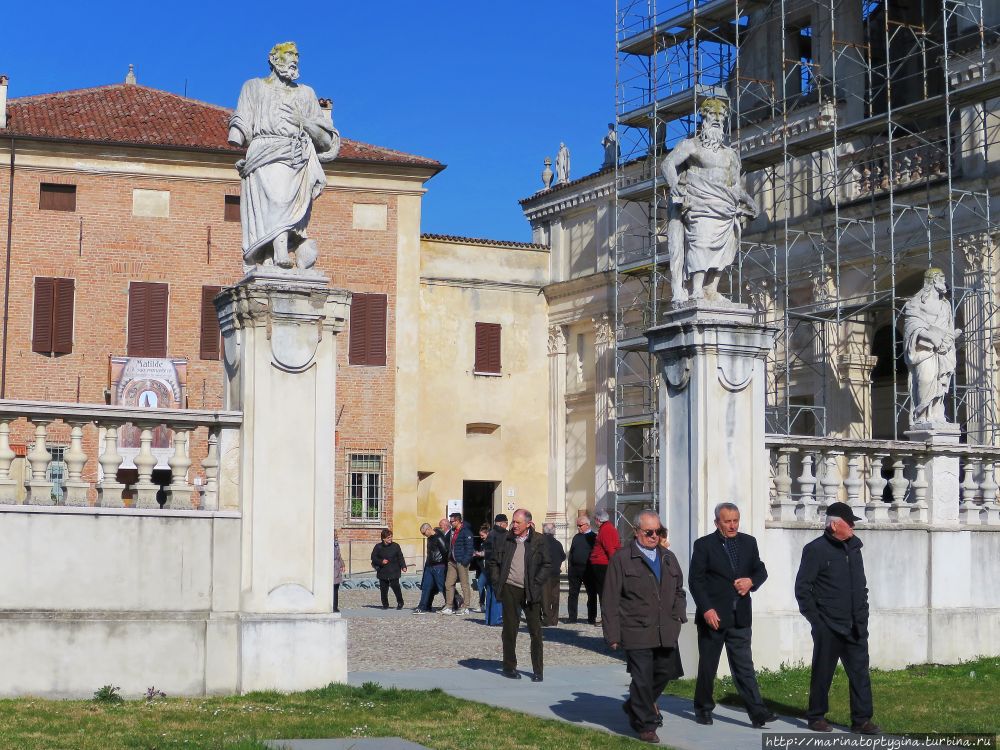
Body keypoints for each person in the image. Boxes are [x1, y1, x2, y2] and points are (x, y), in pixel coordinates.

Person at [228, 42, 340, 270]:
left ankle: (277, 253)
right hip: (263, 153)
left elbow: (326, 140)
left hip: (296, 156)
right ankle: (275, 252)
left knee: (285, 206)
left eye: (297, 56)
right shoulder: (253, 87)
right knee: (277, 202)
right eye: (289, 55)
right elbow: (241, 121)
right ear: (273, 58)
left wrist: (304, 122)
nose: (294, 60)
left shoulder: (306, 93)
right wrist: (237, 136)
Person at [660, 97, 758, 305]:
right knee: (701, 244)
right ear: (703, 118)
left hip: (725, 208)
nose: (716, 119)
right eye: (712, 115)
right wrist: (673, 184)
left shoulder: (731, 155)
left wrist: (750, 200)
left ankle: (710, 290)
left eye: (720, 116)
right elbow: (668, 164)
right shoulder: (691, 146)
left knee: (725, 249)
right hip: (700, 205)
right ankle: (696, 290)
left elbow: (734, 186)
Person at [795, 502, 879, 735]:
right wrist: (817, 622)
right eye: (849, 523)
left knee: (860, 673)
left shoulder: (854, 548)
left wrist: (863, 613)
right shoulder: (816, 550)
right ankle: (816, 716)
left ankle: (861, 720)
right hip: (828, 625)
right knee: (823, 673)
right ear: (834, 525)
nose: (853, 527)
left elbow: (861, 586)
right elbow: (803, 589)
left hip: (855, 625)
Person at [689, 502, 776, 728]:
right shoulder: (704, 545)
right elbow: (696, 582)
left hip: (740, 617)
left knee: (744, 667)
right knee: (708, 666)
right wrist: (706, 609)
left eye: (735, 520)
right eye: (727, 521)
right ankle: (703, 708)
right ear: (717, 522)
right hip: (714, 617)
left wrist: (751, 581)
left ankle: (758, 713)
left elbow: (760, 569)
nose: (732, 525)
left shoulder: (749, 542)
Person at [602, 510, 687, 744]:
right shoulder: (622, 558)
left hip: (665, 628)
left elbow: (679, 589)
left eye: (659, 531)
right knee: (641, 678)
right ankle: (646, 724)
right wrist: (612, 633)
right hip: (636, 628)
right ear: (637, 532)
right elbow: (609, 598)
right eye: (649, 532)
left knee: (664, 672)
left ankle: (634, 705)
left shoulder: (668, 557)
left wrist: (679, 614)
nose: (654, 536)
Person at [487, 509, 555, 682]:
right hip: (510, 588)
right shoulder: (505, 539)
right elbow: (493, 562)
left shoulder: (539, 540)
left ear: (528, 524)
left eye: (518, 522)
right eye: (513, 522)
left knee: (535, 631)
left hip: (531, 590)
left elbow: (547, 564)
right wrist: (497, 584)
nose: (514, 525)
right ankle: (509, 667)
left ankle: (538, 670)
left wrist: (536, 583)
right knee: (509, 630)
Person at [902, 268, 961, 426]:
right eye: (941, 277)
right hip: (924, 349)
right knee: (925, 379)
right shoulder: (916, 302)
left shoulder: (946, 304)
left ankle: (936, 413)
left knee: (940, 382)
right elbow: (912, 325)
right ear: (933, 280)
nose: (943, 280)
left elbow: (948, 326)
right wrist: (932, 337)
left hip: (943, 350)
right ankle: (921, 414)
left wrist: (950, 337)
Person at [589, 508, 622, 618]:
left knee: (604, 592)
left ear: (598, 519)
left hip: (602, 564)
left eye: (595, 519)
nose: (595, 522)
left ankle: (606, 617)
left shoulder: (606, 530)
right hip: (602, 563)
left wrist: (614, 566)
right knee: (603, 592)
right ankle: (606, 616)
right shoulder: (607, 528)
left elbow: (610, 549)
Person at [443, 512, 476, 615]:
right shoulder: (452, 531)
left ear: (458, 521)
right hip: (452, 561)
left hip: (461, 561)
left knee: (464, 584)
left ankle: (466, 606)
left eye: (452, 521)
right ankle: (449, 606)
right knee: (448, 583)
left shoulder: (466, 532)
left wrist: (465, 560)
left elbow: (469, 547)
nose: (450, 523)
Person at [567, 515, 597, 624]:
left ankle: (591, 617)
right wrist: (570, 567)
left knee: (591, 594)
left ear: (587, 525)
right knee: (573, 593)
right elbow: (571, 553)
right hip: (575, 569)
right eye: (577, 526)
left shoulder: (594, 537)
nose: (578, 528)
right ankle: (572, 617)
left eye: (580, 525)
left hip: (588, 569)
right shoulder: (576, 537)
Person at [413, 522, 448, 614]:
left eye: (424, 533)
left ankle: (452, 604)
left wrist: (444, 564)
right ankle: (423, 606)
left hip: (439, 565)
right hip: (430, 565)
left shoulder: (439, 537)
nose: (424, 535)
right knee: (426, 586)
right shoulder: (430, 539)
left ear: (428, 529)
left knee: (442, 586)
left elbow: (445, 551)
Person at [370, 528, 407, 610]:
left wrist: (403, 566)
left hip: (394, 570)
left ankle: (400, 602)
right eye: (388, 537)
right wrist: (381, 561)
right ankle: (385, 604)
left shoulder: (396, 546)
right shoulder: (378, 547)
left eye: (391, 537)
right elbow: (373, 558)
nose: (390, 539)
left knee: (396, 588)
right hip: (383, 571)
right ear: (383, 538)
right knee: (383, 589)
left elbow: (400, 557)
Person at [482, 514, 508, 626]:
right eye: (506, 523)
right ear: (502, 523)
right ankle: (497, 619)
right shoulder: (501, 535)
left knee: (490, 593)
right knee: (498, 594)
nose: (506, 526)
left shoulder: (491, 534)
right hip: (497, 568)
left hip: (488, 567)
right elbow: (500, 554)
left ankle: (488, 618)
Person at [541, 523, 566, 626]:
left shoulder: (541, 543)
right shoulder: (557, 543)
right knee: (555, 597)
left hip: (545, 573)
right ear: (553, 531)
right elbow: (563, 556)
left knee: (545, 597)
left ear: (544, 531)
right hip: (556, 573)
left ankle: (547, 619)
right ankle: (554, 619)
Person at [472, 523, 491, 609]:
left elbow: (490, 553)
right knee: (482, 585)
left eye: (482, 535)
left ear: (487, 534)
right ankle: (483, 604)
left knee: (482, 584)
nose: (481, 537)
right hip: (483, 568)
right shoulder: (482, 543)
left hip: (488, 568)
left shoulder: (491, 542)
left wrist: (480, 553)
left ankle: (484, 604)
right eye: (480, 535)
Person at [333, 533, 346, 613]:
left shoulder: (336, 544)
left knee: (336, 587)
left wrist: (342, 564)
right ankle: (333, 606)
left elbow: (339, 555)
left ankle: (335, 606)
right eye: (335, 535)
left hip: (336, 567)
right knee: (332, 587)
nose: (336, 536)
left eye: (336, 535)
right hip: (331, 567)